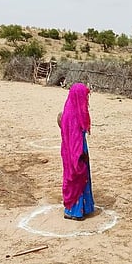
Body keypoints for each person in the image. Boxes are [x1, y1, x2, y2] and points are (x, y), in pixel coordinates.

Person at [58, 83, 95, 221]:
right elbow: (74, 138)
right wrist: (79, 155)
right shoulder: (73, 114)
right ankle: (74, 211)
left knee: (81, 177)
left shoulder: (74, 110)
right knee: (76, 177)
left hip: (75, 149)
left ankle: (83, 208)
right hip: (75, 152)